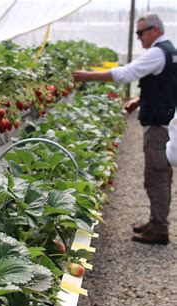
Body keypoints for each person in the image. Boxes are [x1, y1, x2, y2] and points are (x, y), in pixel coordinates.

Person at [73, 13, 177, 245]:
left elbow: (126, 73)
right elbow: (166, 86)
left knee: (157, 177)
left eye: (140, 33)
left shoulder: (157, 52)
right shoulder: (170, 51)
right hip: (163, 120)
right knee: (159, 175)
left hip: (158, 125)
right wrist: (140, 100)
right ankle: (156, 221)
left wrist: (87, 76)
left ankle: (160, 229)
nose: (138, 38)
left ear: (154, 31)